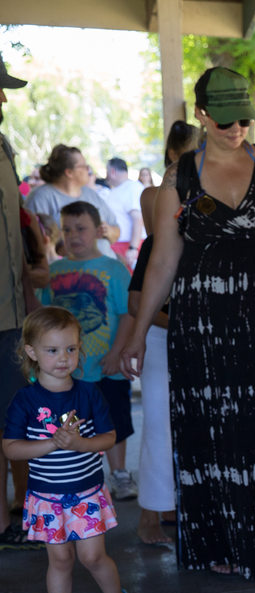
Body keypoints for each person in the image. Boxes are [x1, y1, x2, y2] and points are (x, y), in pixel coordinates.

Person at [121, 67, 255, 579]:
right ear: (201, 114)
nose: (236, 128)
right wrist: (136, 335)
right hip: (202, 326)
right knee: (213, 432)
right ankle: (221, 544)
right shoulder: (179, 178)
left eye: (244, 117)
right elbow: (162, 261)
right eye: (224, 119)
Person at [2, 306, 133, 593]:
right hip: (46, 498)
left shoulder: (88, 393)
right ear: (31, 352)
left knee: (91, 557)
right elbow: (11, 449)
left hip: (86, 494)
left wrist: (79, 443)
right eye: (52, 350)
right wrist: (49, 444)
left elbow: (108, 437)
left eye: (70, 349)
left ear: (79, 350)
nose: (63, 358)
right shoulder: (25, 400)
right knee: (60, 559)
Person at [128, 121, 199, 545]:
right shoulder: (157, 242)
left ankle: (179, 510)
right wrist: (179, 324)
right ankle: (150, 521)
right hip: (160, 342)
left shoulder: (206, 239)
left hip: (192, 342)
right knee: (159, 427)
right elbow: (139, 303)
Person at [39, 202, 137, 502]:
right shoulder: (53, 272)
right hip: (68, 370)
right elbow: (45, 318)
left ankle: (119, 472)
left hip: (107, 364)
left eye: (80, 228)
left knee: (114, 421)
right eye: (67, 229)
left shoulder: (114, 269)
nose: (73, 235)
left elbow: (126, 314)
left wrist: (116, 352)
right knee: (70, 421)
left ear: (98, 230)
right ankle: (79, 473)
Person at [0, 52, 40, 550]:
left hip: (11, 314)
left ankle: (25, 518)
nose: (5, 99)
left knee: (17, 417)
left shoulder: (5, 147)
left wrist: (28, 290)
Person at [25, 144, 120, 259]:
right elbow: (32, 242)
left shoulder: (91, 195)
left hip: (105, 270)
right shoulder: (40, 198)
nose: (88, 170)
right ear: (69, 172)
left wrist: (108, 231)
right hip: (66, 273)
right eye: (84, 166)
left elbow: (116, 229)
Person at [103, 157, 145, 268]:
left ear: (112, 172)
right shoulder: (118, 189)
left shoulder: (132, 188)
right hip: (119, 246)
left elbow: (137, 219)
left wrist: (133, 248)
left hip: (128, 246)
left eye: (107, 171)